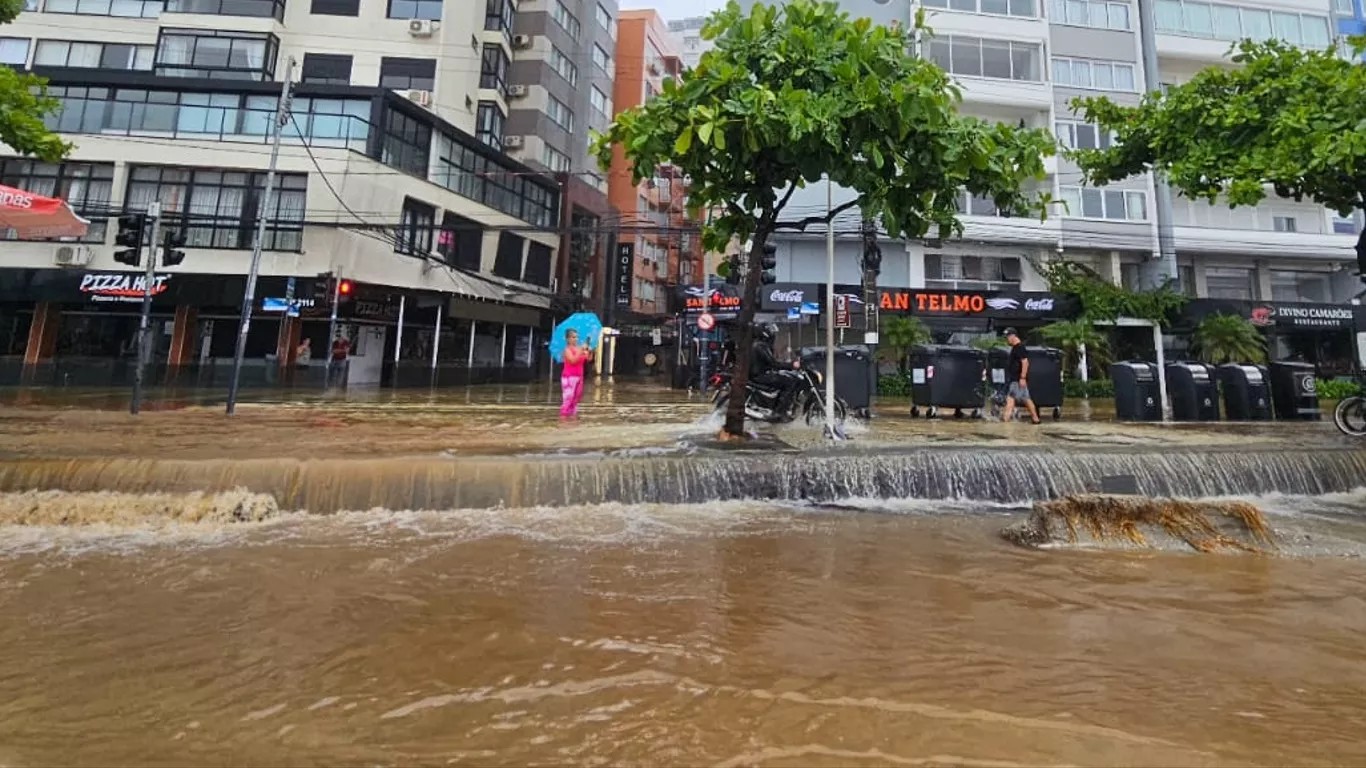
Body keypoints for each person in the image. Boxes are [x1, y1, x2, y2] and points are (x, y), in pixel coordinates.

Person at [750, 323, 800, 416]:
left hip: (758, 374)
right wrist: (792, 365)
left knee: (784, 377)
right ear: (766, 333)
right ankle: (779, 412)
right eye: (772, 332)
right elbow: (773, 363)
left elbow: (769, 363)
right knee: (789, 382)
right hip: (760, 375)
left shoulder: (757, 344)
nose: (773, 335)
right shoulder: (760, 346)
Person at [1001, 327, 1041, 425]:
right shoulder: (1016, 348)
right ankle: (1035, 419)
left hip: (1018, 379)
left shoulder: (1019, 348)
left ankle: (1006, 421)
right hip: (1016, 379)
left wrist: (1022, 378)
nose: (1007, 339)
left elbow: (1025, 362)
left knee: (1016, 399)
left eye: (1007, 337)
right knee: (1022, 399)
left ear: (1013, 336)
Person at [560, 329, 592, 420]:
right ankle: (563, 420)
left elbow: (588, 359)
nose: (576, 339)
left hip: (579, 377)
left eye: (577, 337)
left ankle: (572, 419)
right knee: (568, 399)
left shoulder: (579, 349)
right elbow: (573, 360)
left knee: (576, 399)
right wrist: (581, 350)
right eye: (573, 337)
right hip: (569, 378)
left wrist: (590, 351)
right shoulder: (567, 350)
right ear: (568, 339)